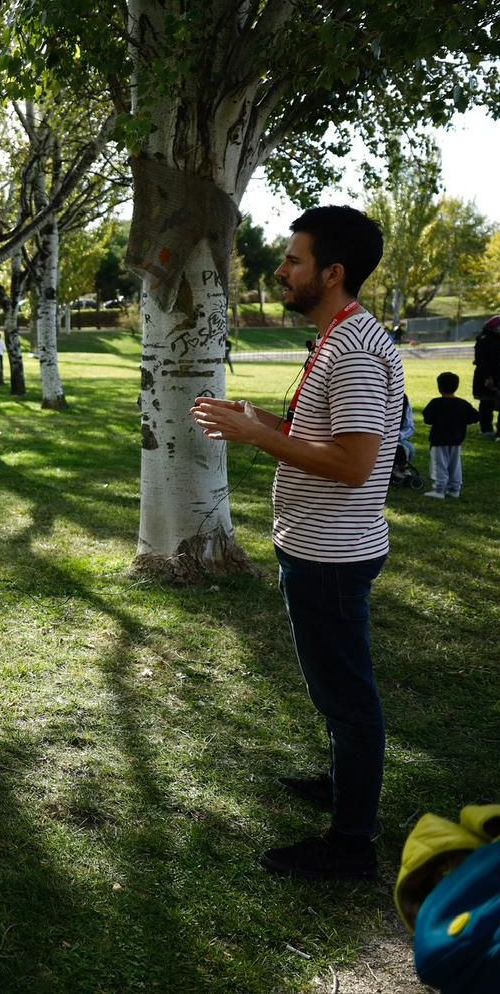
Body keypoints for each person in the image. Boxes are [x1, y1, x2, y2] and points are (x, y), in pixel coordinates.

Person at [192, 205, 404, 880]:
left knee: (348, 695)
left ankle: (350, 843)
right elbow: (327, 436)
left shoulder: (357, 351)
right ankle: (344, 779)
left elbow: (354, 463)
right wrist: (263, 420)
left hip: (332, 556)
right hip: (319, 548)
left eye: (293, 260)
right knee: (337, 691)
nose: (280, 269)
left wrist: (260, 437)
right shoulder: (339, 337)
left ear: (332, 273)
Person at [420, 372, 477, 498]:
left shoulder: (435, 403)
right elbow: (474, 417)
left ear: (439, 387)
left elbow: (427, 419)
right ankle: (454, 489)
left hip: (439, 440)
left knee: (439, 464)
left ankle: (439, 489)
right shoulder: (463, 404)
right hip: (457, 439)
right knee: (455, 465)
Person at [472, 316, 500, 435]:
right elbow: (482, 361)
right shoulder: (485, 340)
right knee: (487, 403)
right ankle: (486, 429)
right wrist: (488, 377)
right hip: (487, 375)